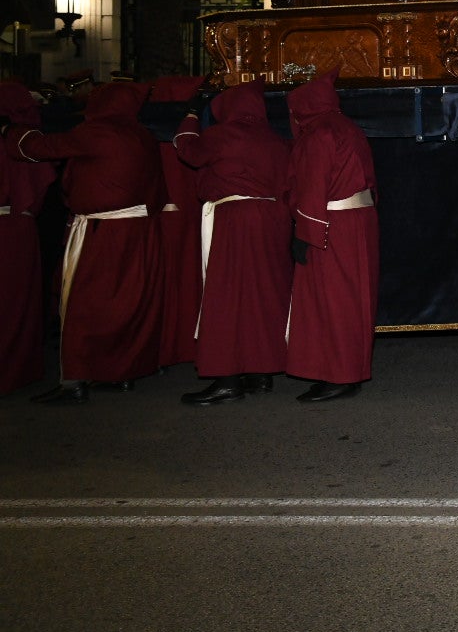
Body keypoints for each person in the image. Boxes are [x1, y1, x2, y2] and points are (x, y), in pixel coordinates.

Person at [4, 81, 164, 404]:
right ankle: (120, 372)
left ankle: (73, 382)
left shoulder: (99, 132)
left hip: (103, 232)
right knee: (125, 305)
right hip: (139, 231)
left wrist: (11, 130)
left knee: (82, 305)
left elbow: (41, 148)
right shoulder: (143, 136)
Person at [173, 79, 294, 406]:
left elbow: (188, 150)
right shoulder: (276, 140)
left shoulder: (223, 135)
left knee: (226, 295)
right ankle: (261, 371)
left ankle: (227, 378)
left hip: (236, 219)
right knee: (264, 293)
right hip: (273, 219)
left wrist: (190, 116)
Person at [284, 68, 380, 403]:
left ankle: (339, 374)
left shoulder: (319, 133)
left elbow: (312, 186)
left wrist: (305, 231)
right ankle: (348, 370)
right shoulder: (348, 128)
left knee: (333, 300)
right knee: (355, 300)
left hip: (331, 224)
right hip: (359, 221)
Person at [147, 76, 206, 369]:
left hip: (169, 214)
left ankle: (168, 345)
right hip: (190, 213)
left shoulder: (155, 129)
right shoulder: (191, 127)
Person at [0, 83, 54, 395]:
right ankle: (16, 369)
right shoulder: (26, 139)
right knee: (16, 302)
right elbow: (41, 181)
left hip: (15, 222)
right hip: (16, 228)